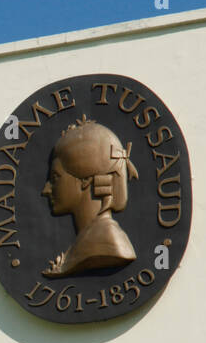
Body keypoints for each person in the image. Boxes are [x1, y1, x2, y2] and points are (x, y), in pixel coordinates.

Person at [40, 114, 138, 277]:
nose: (46, 190)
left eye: (55, 178)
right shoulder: (89, 242)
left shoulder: (106, 244)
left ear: (86, 180)